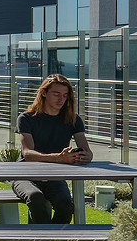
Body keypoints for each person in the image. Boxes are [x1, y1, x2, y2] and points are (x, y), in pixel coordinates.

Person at [11, 74, 94, 225]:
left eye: (65, 95)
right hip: (24, 175)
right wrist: (58, 158)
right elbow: (27, 153)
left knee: (65, 205)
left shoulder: (73, 119)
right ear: (43, 93)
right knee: (36, 198)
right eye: (56, 94)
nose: (61, 99)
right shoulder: (26, 118)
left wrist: (84, 156)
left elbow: (88, 151)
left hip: (54, 177)